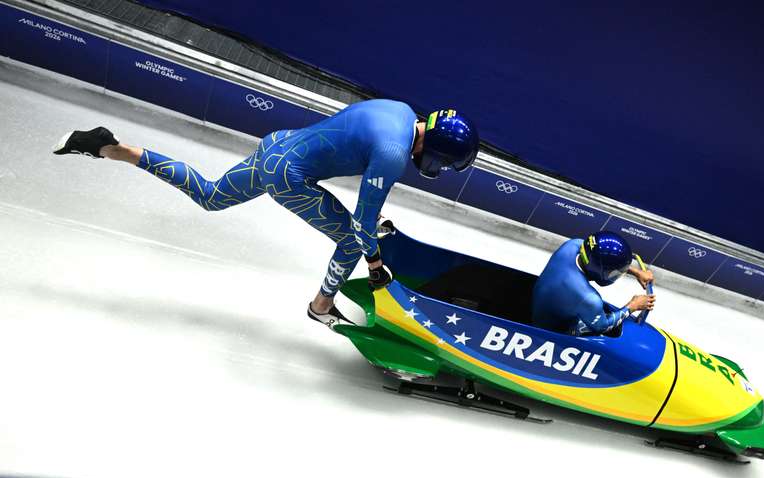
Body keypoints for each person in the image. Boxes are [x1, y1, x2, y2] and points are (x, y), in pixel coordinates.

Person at [53, 102, 479, 328]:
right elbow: (361, 223)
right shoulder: (392, 154)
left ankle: (112, 148)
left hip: (278, 145)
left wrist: (375, 225)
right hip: (288, 176)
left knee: (211, 195)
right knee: (352, 240)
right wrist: (375, 265)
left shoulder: (401, 111)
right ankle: (321, 305)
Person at [532, 231, 655, 336]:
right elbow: (602, 327)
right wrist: (632, 306)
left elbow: (596, 257)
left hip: (541, 304)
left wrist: (635, 271)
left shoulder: (572, 245)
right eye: (615, 273)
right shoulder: (589, 298)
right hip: (549, 329)